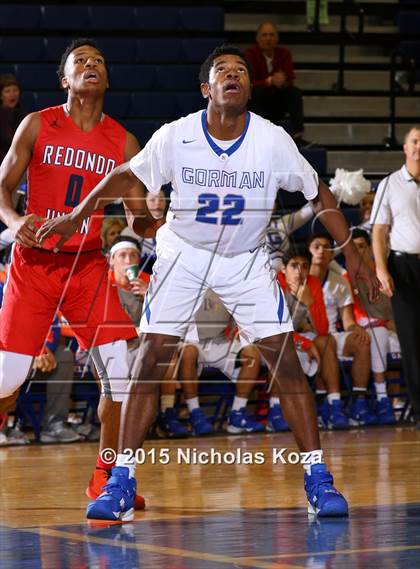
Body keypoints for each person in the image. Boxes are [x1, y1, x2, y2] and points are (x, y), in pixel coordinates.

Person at [38, 45, 379, 522]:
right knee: (151, 356)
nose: (233, 74)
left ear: (249, 87)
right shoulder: (177, 135)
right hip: (185, 252)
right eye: (223, 70)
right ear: (207, 89)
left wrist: (354, 258)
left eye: (241, 70)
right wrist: (75, 216)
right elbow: (122, 176)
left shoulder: (272, 139)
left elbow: (318, 192)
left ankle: (318, 478)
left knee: (283, 357)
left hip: (244, 257)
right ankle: (121, 481)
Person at [0, 39, 157, 509]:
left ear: (106, 80)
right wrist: (12, 221)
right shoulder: (36, 124)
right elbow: (3, 187)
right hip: (35, 265)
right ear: (64, 79)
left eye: (99, 62)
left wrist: (159, 224)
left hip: (88, 265)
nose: (92, 65)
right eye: (81, 62)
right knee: (6, 382)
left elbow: (137, 217)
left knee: (121, 378)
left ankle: (108, 480)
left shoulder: (124, 141)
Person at [370, 124, 420, 427]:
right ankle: (418, 409)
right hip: (403, 268)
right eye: (415, 141)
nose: (419, 147)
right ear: (405, 147)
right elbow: (378, 230)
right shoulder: (390, 183)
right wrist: (380, 267)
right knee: (412, 342)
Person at [308, 233, 377, 426]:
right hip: (307, 337)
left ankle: (359, 403)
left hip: (331, 335)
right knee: (324, 341)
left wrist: (356, 328)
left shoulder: (339, 281)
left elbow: (347, 320)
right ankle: (334, 405)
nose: (321, 251)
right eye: (316, 246)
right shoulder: (299, 277)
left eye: (326, 247)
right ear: (309, 251)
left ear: (332, 255)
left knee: (362, 341)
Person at [277, 245, 349, 430]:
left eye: (304, 266)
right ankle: (276, 410)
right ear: (283, 269)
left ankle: (334, 405)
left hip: (297, 335)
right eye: (294, 265)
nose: (299, 271)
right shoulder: (274, 284)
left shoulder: (313, 283)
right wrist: (306, 343)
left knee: (326, 341)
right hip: (270, 338)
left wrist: (309, 302)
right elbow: (274, 331)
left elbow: (323, 329)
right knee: (279, 347)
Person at [179, 289, 264, 435]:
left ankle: (237, 414)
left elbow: (242, 314)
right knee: (188, 352)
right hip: (190, 341)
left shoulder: (228, 280)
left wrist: (239, 329)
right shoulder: (184, 280)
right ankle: (194, 414)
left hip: (220, 341)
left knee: (252, 354)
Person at [346, 229, 398, 425]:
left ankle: (391, 398)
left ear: (370, 248)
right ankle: (383, 397)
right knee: (378, 333)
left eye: (361, 246)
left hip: (394, 330)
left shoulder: (384, 273)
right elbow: (354, 314)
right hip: (368, 329)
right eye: (354, 248)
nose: (358, 252)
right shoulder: (347, 277)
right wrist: (385, 322)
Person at [245, 22, 310, 147]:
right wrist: (269, 81)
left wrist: (283, 81)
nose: (268, 38)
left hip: (277, 101)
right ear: (258, 38)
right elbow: (248, 81)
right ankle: (258, 137)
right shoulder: (250, 54)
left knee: (294, 92)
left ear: (277, 38)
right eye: (264, 35)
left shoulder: (284, 54)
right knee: (255, 92)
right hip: (258, 101)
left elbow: (290, 78)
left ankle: (298, 136)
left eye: (271, 35)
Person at [0, 74, 27, 164]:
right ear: (1, 95)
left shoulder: (25, 115)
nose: (12, 94)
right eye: (7, 91)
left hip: (19, 163)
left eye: (15, 90)